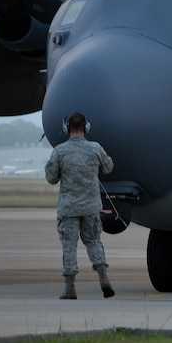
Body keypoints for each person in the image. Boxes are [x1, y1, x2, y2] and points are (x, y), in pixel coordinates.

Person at [44, 112, 115, 300]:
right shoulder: (95, 148)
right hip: (91, 206)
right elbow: (109, 168)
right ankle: (104, 279)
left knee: (69, 246)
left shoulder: (60, 151)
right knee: (93, 241)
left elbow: (51, 178)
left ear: (67, 129)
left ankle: (70, 288)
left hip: (68, 208)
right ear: (86, 127)